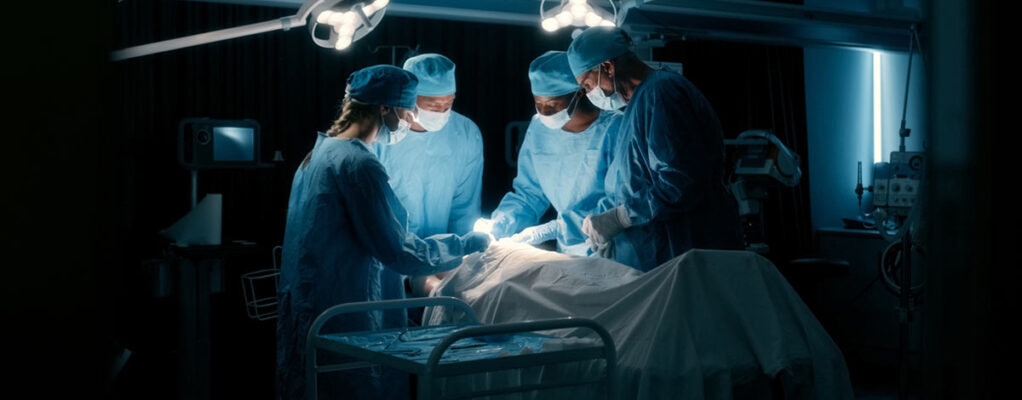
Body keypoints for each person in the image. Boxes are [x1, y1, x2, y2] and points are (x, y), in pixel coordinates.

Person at [276, 65, 490, 400]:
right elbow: (398, 252)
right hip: (347, 318)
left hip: (316, 307)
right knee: (356, 386)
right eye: (408, 112)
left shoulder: (319, 154)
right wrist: (464, 244)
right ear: (386, 109)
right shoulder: (359, 165)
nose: (409, 121)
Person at [567, 27, 743, 271]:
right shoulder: (637, 105)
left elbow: (679, 183)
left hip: (684, 251)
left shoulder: (662, 94)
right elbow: (631, 183)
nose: (589, 94)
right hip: (658, 255)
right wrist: (610, 228)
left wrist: (619, 218)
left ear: (607, 67)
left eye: (587, 85)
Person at [371, 53, 484, 301]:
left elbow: (464, 209)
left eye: (448, 104)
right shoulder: (380, 135)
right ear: (408, 98)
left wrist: (460, 260)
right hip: (385, 260)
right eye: (433, 105)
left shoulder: (465, 133)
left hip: (441, 260)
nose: (442, 112)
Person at [489, 50, 623, 256]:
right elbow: (529, 192)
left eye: (552, 106)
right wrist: (504, 221)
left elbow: (621, 202)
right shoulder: (539, 128)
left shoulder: (615, 128)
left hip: (611, 244)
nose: (544, 113)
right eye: (539, 104)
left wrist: (557, 227)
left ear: (579, 93)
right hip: (568, 249)